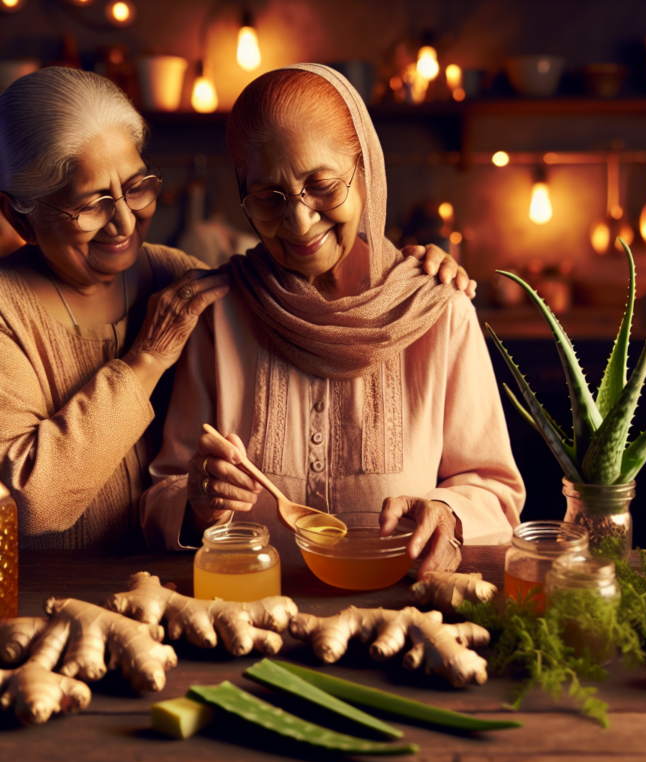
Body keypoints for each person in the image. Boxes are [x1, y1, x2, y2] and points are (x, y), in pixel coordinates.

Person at [0, 67, 467, 550]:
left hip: (162, 584)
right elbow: (30, 503)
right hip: (37, 587)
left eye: (136, 187)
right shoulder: (198, 307)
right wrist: (148, 359)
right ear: (19, 217)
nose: (124, 223)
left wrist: (415, 278)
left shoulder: (186, 282)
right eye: (90, 204)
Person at [142, 64, 525, 576]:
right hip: (249, 608)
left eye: (322, 185)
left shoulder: (439, 310)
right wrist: (198, 503)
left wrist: (448, 513)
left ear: (367, 173)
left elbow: (495, 492)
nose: (299, 222)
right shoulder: (219, 312)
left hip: (397, 610)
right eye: (269, 197)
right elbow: (164, 492)